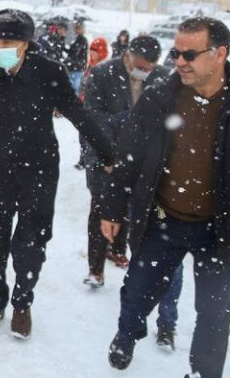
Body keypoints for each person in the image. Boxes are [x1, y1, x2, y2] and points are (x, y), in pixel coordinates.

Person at [102, 17, 230, 377]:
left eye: (190, 54)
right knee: (136, 294)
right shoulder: (161, 97)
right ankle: (127, 334)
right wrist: (112, 208)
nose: (179, 61)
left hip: (221, 228)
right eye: (176, 52)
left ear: (220, 53)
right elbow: (128, 154)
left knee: (214, 315)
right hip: (163, 221)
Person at [0, 9, 116, 340]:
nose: (0, 46)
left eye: (7, 41)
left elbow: (77, 113)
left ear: (25, 43)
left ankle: (23, 302)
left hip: (39, 169)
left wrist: (107, 153)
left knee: (31, 241)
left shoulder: (48, 72)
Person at [81, 36, 184, 349]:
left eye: (150, 67)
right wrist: (110, 155)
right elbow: (93, 119)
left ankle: (121, 252)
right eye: (141, 66)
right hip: (106, 159)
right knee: (102, 212)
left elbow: (170, 124)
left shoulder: (166, 79)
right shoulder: (101, 75)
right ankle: (96, 268)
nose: (145, 71)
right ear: (128, 57)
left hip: (145, 166)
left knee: (134, 219)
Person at [65, 21, 88, 93]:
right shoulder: (76, 39)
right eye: (76, 28)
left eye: (78, 28)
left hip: (77, 67)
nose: (76, 30)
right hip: (75, 66)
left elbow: (76, 52)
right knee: (72, 87)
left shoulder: (82, 40)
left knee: (74, 88)